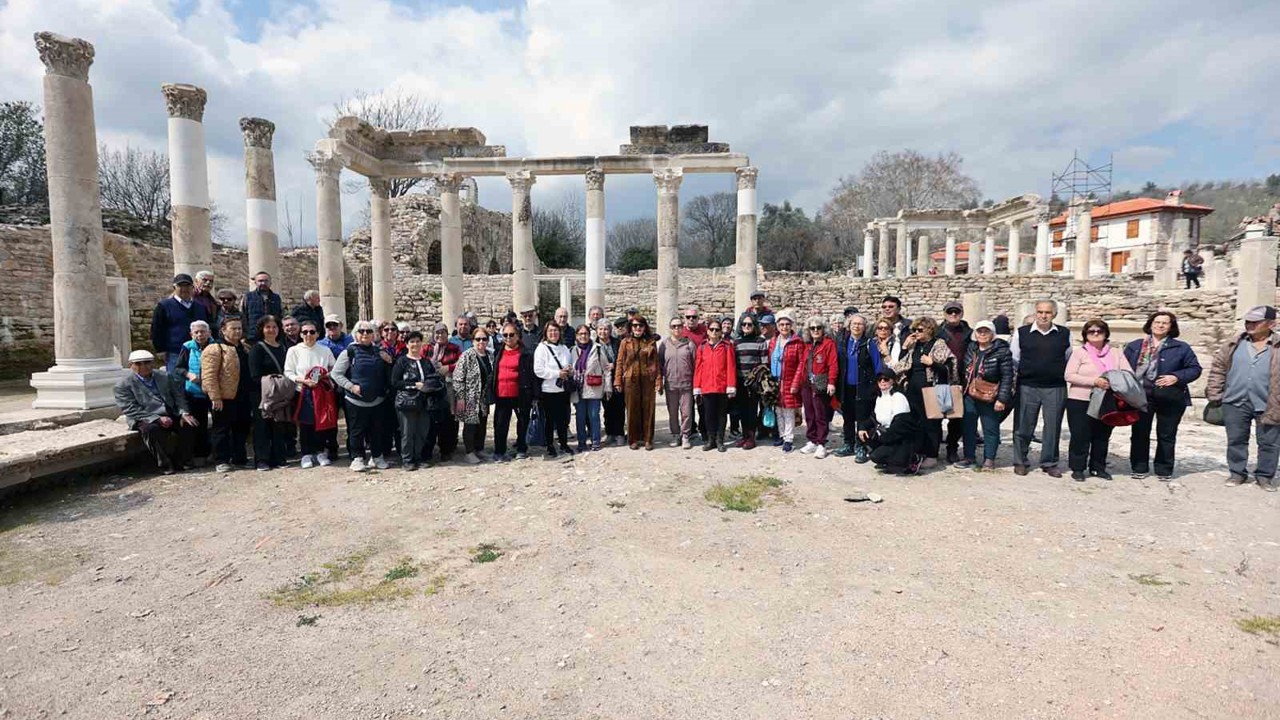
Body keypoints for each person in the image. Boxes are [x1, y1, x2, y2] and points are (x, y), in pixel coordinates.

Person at [1206, 305, 1280, 491]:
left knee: (1269, 442)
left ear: (1271, 324)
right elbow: (1218, 369)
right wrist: (1215, 393)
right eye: (1248, 321)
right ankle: (1237, 473)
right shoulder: (1234, 343)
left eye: (1256, 322)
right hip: (1235, 401)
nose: (1250, 325)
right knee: (1236, 440)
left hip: (1269, 402)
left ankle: (1264, 476)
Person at [1123, 311, 1201, 481]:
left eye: (1165, 323)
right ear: (1150, 324)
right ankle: (1139, 467)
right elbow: (1123, 368)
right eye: (1157, 322)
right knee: (1140, 433)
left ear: (1171, 327)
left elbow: (1195, 369)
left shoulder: (1181, 347)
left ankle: (1164, 469)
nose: (1160, 325)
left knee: (1167, 434)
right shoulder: (1135, 346)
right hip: (1141, 396)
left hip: (1170, 397)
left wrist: (1176, 377)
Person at [1065, 319, 1132, 481]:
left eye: (1099, 331)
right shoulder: (1080, 353)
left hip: (1107, 399)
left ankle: (1098, 467)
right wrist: (1094, 381)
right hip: (1081, 399)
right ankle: (1078, 467)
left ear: (1105, 333)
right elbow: (1069, 375)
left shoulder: (1116, 353)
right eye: (1091, 331)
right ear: (1085, 335)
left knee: (1102, 435)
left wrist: (1113, 382)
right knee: (1080, 435)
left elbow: (1127, 372)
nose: (1095, 334)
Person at [1010, 300, 1072, 478]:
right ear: (1035, 312)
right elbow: (1015, 358)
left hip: (1055, 386)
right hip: (1028, 385)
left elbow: (1068, 356)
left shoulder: (1064, 333)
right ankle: (1020, 461)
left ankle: (1049, 462)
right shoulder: (1021, 333)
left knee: (1052, 426)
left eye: (1048, 312)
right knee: (1023, 425)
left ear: (1054, 314)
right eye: (1040, 312)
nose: (1043, 315)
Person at [114, 349, 197, 474]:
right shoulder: (123, 385)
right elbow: (130, 408)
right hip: (145, 416)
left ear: (152, 363)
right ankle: (164, 464)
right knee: (151, 430)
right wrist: (156, 418)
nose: (143, 366)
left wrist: (183, 413)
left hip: (169, 412)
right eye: (138, 364)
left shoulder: (164, 376)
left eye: (147, 362)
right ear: (130, 365)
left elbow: (178, 396)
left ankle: (182, 460)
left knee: (189, 423)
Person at [892, 316, 956, 469]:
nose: (916, 332)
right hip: (913, 390)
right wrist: (905, 347)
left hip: (931, 390)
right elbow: (903, 364)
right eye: (914, 330)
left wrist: (932, 363)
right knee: (916, 421)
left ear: (930, 330)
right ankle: (920, 450)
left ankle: (932, 455)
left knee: (932, 423)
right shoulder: (915, 346)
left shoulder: (939, 345)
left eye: (920, 330)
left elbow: (948, 370)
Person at [332, 320, 392, 471]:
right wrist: (351, 386)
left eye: (369, 331)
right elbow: (336, 374)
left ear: (374, 334)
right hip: (355, 401)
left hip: (377, 400)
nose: (365, 334)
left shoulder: (380, 352)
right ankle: (357, 458)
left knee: (377, 430)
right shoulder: (349, 352)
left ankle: (377, 457)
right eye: (361, 331)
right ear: (356, 334)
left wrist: (389, 361)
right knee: (356, 431)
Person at [957, 320, 1013, 471]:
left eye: (986, 331)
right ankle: (969, 456)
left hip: (990, 395)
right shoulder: (972, 348)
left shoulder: (1002, 351)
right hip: (970, 393)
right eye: (979, 331)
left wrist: (1002, 399)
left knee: (990, 428)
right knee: (968, 427)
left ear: (992, 334)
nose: (982, 334)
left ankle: (989, 459)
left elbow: (1007, 376)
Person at [285, 320, 338, 469]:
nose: (309, 335)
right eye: (305, 332)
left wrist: (323, 376)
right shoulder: (294, 351)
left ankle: (320, 451)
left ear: (318, 334)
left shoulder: (324, 350)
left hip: (321, 391)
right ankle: (306, 454)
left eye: (312, 332)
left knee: (321, 422)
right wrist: (304, 380)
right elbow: (288, 372)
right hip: (302, 391)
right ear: (301, 334)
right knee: (306, 423)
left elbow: (334, 368)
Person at [202, 318, 252, 473]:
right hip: (224, 397)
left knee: (241, 427)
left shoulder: (244, 347)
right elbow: (209, 374)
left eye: (239, 328)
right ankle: (221, 460)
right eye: (233, 328)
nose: (237, 331)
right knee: (221, 429)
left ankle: (239, 458)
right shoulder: (215, 349)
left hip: (242, 395)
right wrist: (215, 396)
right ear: (223, 330)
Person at [390, 331, 442, 470]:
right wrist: (413, 386)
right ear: (407, 344)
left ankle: (419, 457)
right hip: (407, 402)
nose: (415, 344)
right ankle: (407, 460)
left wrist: (431, 386)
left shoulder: (426, 362)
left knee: (422, 432)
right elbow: (395, 382)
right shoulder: (402, 361)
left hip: (424, 402)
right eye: (412, 341)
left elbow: (433, 378)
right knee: (407, 433)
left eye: (418, 341)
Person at [248, 315, 293, 471]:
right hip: (262, 394)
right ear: (262, 329)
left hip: (279, 394)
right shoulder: (257, 348)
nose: (271, 330)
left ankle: (279, 457)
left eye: (274, 327)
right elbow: (254, 375)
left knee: (279, 426)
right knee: (262, 427)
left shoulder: (282, 347)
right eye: (268, 327)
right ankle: (262, 459)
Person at [860, 369, 921, 475]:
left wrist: (883, 438)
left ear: (893, 381)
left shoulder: (898, 397)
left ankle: (913, 459)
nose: (882, 382)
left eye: (886, 379)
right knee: (864, 434)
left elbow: (901, 425)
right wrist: (862, 427)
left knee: (876, 456)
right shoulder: (879, 398)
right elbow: (873, 418)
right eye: (880, 380)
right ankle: (887, 459)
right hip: (887, 434)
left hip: (901, 439)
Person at [614, 315, 661, 450]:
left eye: (640, 325)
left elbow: (656, 362)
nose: (638, 328)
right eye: (635, 326)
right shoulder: (625, 342)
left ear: (645, 327)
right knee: (632, 409)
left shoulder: (651, 342)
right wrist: (618, 380)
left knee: (648, 409)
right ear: (631, 327)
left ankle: (648, 439)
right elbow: (620, 362)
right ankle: (633, 438)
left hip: (648, 379)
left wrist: (658, 380)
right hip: (630, 378)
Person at [492, 322, 536, 461]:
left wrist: (534, 394)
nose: (508, 337)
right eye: (505, 335)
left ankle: (521, 448)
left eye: (512, 334)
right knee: (500, 424)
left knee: (522, 422)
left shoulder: (526, 353)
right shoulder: (498, 351)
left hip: (520, 393)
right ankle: (500, 451)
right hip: (502, 393)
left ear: (518, 336)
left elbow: (531, 374)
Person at [150, 273, 210, 375]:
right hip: (175, 352)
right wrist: (160, 349)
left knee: (197, 382)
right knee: (176, 383)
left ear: (192, 287)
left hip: (197, 352)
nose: (184, 289)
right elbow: (157, 328)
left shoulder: (200, 307)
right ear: (174, 287)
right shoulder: (164, 306)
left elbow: (207, 327)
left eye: (187, 286)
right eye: (180, 286)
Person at [173, 320, 214, 465]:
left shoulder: (216, 346)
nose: (199, 335)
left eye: (202, 331)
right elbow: (178, 368)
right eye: (196, 332)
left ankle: (217, 454)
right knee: (199, 425)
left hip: (214, 392)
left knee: (219, 424)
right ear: (191, 334)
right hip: (194, 392)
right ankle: (200, 455)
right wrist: (189, 375)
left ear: (209, 333)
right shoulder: (187, 347)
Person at [835, 314, 874, 459]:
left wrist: (873, 387)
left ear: (865, 327)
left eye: (860, 324)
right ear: (849, 326)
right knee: (848, 418)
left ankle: (861, 446)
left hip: (863, 387)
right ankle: (848, 444)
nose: (857, 326)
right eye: (854, 324)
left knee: (862, 418)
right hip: (846, 387)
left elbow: (876, 366)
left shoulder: (869, 343)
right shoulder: (843, 343)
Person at [798, 317, 838, 458]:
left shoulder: (828, 344)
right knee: (809, 413)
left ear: (823, 329)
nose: (815, 330)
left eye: (818, 327)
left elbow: (833, 364)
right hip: (806, 383)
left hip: (820, 383)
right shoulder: (807, 345)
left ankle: (821, 443)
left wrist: (831, 382)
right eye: (812, 328)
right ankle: (812, 440)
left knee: (821, 414)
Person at [694, 320, 737, 452]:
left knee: (721, 414)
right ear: (707, 331)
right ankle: (710, 439)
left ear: (720, 332)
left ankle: (720, 440)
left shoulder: (727, 346)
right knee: (708, 414)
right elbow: (698, 368)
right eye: (712, 329)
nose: (714, 332)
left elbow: (731, 367)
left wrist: (731, 385)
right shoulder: (702, 347)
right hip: (707, 386)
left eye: (717, 329)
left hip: (721, 386)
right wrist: (697, 387)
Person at [938, 301, 972, 464]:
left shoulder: (970, 333)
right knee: (935, 415)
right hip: (941, 377)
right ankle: (933, 449)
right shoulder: (936, 332)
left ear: (961, 313)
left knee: (956, 418)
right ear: (944, 314)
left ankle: (952, 448)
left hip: (961, 378)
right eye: (950, 312)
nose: (953, 315)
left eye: (956, 312)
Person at [454, 328, 494, 464]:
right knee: (470, 424)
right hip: (469, 396)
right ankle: (469, 452)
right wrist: (460, 397)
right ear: (473, 341)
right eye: (478, 339)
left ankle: (480, 449)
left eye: (484, 339)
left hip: (483, 397)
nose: (481, 342)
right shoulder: (467, 355)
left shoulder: (490, 355)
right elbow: (458, 377)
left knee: (482, 423)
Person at [534, 323, 575, 458]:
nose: (553, 333)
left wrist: (569, 370)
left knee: (563, 419)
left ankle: (563, 443)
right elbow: (539, 370)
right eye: (550, 331)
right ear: (546, 333)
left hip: (563, 389)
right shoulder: (541, 348)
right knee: (549, 420)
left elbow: (570, 364)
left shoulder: (564, 348)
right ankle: (550, 445)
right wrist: (557, 373)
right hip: (548, 390)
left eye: (556, 330)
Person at [571, 324, 612, 452]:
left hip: (594, 388)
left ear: (589, 335)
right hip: (578, 389)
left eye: (585, 334)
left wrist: (608, 388)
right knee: (580, 417)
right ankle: (582, 442)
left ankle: (596, 441)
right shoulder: (572, 350)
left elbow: (606, 369)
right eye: (580, 334)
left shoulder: (597, 349)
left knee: (594, 415)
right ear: (577, 336)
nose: (583, 336)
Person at [770, 312, 807, 452]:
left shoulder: (797, 342)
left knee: (789, 411)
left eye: (787, 324)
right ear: (777, 326)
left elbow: (801, 363)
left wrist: (796, 383)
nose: (784, 327)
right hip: (776, 381)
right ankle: (781, 434)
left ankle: (789, 438)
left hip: (790, 380)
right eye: (781, 325)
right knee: (778, 410)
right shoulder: (774, 341)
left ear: (791, 326)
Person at [659, 316, 697, 449]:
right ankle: (675, 435)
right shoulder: (664, 345)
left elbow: (695, 364)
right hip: (670, 384)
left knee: (686, 412)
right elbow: (660, 364)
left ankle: (686, 435)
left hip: (686, 384)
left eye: (679, 326)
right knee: (673, 412)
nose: (677, 329)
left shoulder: (690, 344)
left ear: (683, 328)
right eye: (674, 326)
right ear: (670, 329)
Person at [733, 314, 768, 450]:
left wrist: (758, 380)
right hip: (740, 380)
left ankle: (751, 437)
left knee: (752, 410)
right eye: (744, 324)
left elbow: (764, 363)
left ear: (754, 326)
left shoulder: (760, 341)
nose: (746, 327)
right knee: (742, 410)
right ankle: (744, 436)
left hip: (754, 381)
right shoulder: (736, 342)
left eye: (749, 324)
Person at [427, 323, 462, 462]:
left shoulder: (454, 348)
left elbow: (462, 362)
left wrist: (449, 367)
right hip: (431, 388)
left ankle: (447, 448)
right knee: (431, 419)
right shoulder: (427, 348)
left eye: (443, 333)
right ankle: (429, 449)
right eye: (437, 333)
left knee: (448, 418)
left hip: (449, 388)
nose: (440, 335)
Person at [601, 317, 627, 445]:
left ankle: (620, 433)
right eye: (601, 329)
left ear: (610, 330)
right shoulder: (594, 344)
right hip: (602, 381)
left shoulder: (617, 342)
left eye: (606, 329)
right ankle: (610, 433)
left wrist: (614, 365)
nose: (603, 332)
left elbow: (623, 359)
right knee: (607, 408)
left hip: (617, 378)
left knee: (619, 407)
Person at [241, 271, 283, 343]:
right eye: (260, 281)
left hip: (272, 335)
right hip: (253, 337)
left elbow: (280, 315)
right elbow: (243, 316)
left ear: (270, 283)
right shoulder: (248, 297)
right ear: (255, 283)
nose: (263, 283)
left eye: (266, 281)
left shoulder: (276, 298)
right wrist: (245, 334)